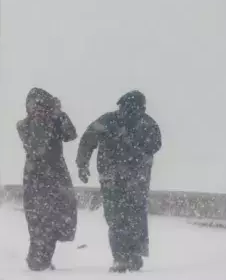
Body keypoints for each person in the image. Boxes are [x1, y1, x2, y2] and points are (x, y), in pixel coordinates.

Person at [75, 90, 162, 273]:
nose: (129, 111)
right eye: (127, 107)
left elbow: (154, 145)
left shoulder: (144, 123)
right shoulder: (114, 121)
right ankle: (124, 256)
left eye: (134, 108)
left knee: (126, 218)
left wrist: (131, 146)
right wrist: (82, 164)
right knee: (122, 218)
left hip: (129, 180)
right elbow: (88, 140)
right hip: (120, 179)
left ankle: (130, 255)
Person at [17, 87, 78, 271]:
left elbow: (71, 135)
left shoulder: (56, 120)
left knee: (58, 216)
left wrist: (60, 115)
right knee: (40, 219)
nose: (40, 110)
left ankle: (41, 259)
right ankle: (37, 261)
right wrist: (49, 118)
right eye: (36, 106)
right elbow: (37, 146)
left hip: (55, 174)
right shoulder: (25, 125)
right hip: (38, 176)